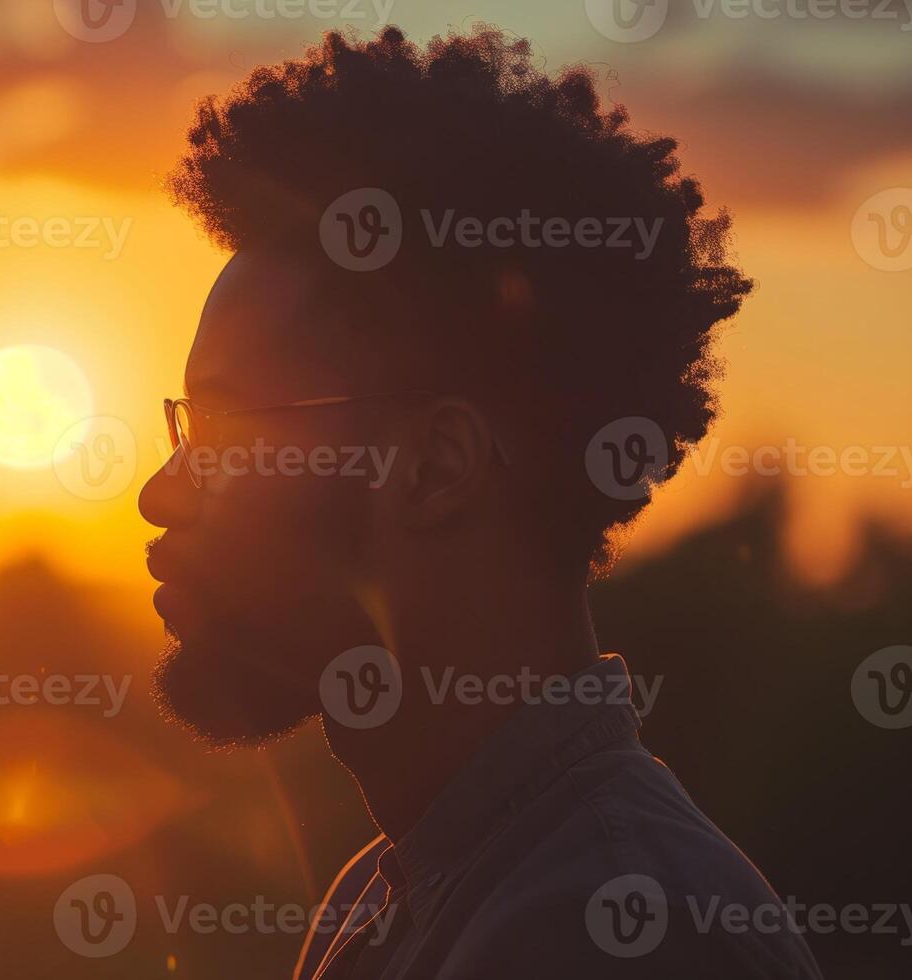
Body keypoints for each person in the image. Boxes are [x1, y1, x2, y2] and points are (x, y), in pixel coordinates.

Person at [138, 27, 822, 979]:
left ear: (433, 466)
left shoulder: (612, 931)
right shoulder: (387, 896)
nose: (158, 492)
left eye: (221, 430)